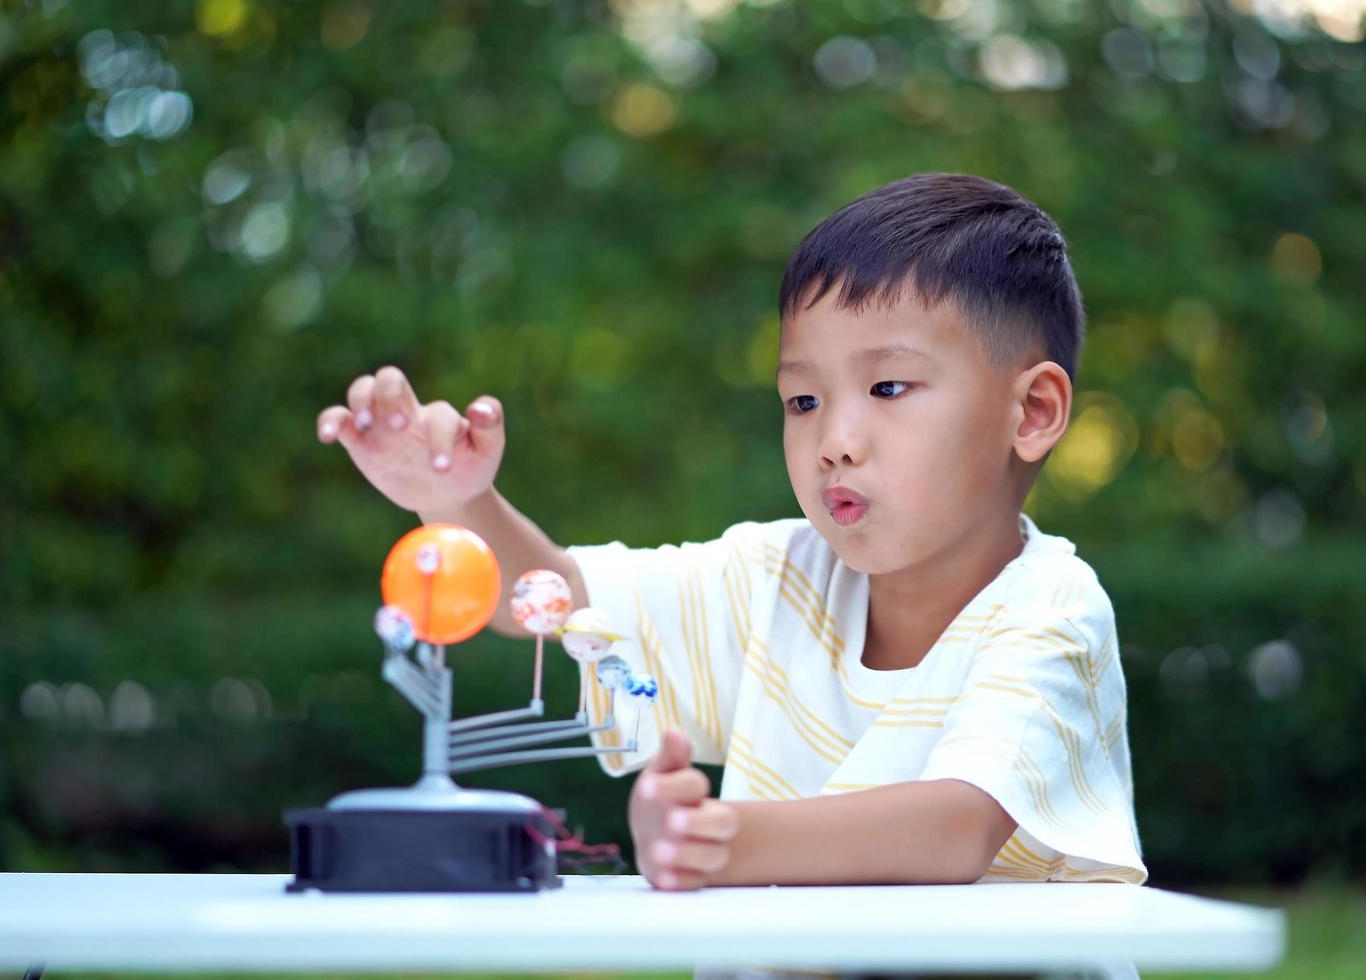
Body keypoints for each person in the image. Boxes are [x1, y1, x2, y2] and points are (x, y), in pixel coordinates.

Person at [316, 173, 1147, 892]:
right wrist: (456, 501)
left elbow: (954, 830)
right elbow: (558, 605)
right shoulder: (773, 578)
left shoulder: (1052, 609)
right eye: (803, 401)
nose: (836, 440)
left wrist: (719, 838)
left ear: (1031, 411)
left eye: (889, 387)